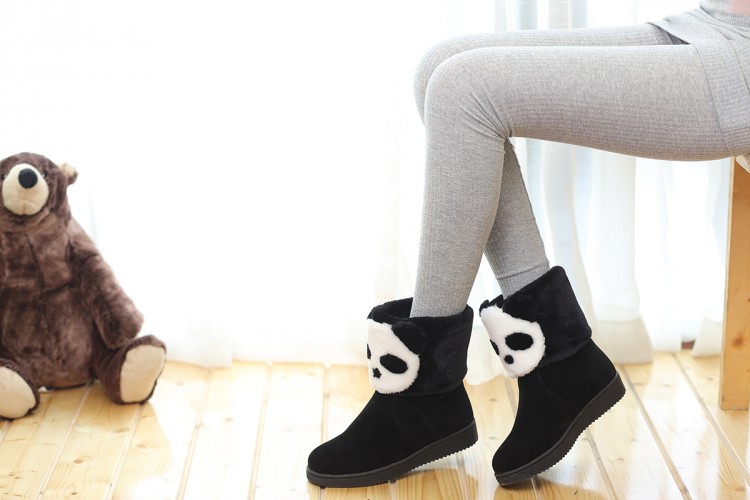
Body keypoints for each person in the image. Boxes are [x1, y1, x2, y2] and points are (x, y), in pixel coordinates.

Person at [306, 0, 750, 488]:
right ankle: (558, 362)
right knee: (438, 67)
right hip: (718, 23)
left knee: (463, 89)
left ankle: (423, 396)